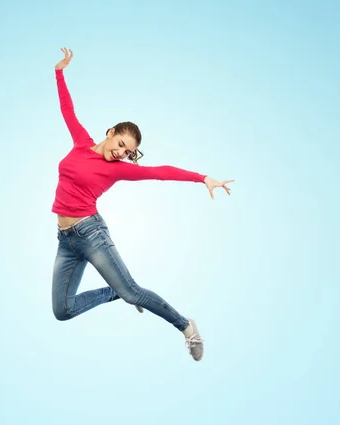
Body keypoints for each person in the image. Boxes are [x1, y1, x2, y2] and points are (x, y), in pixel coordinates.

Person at [51, 47, 233, 361]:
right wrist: (59, 72)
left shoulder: (119, 169)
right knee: (63, 310)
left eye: (127, 151)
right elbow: (68, 110)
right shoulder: (80, 142)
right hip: (66, 240)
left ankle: (186, 326)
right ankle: (114, 292)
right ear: (110, 133)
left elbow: (160, 172)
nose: (121, 152)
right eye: (120, 144)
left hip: (91, 234)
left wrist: (202, 178)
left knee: (133, 290)